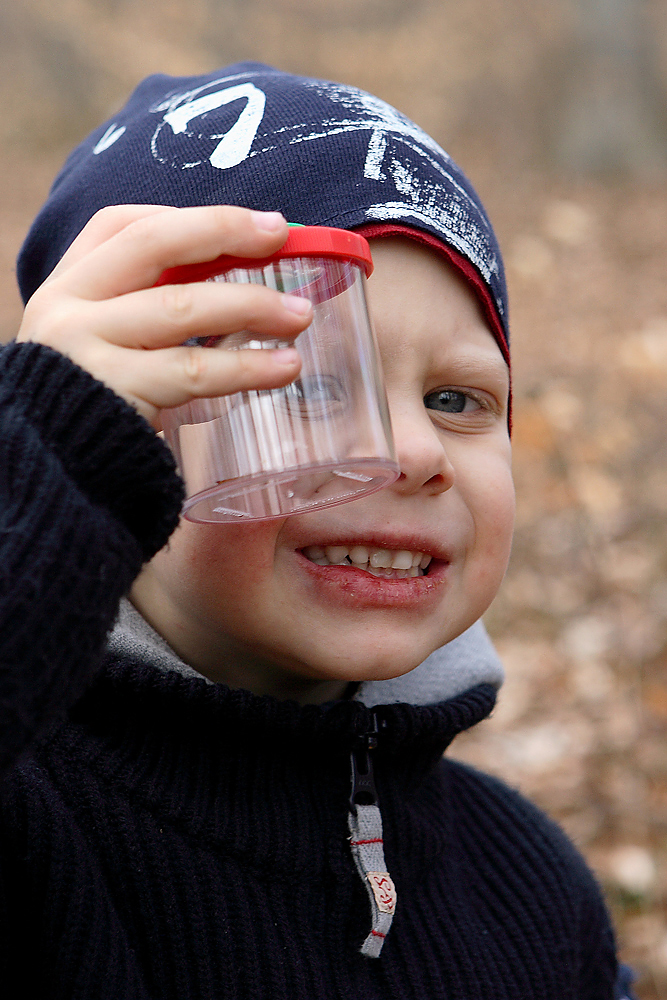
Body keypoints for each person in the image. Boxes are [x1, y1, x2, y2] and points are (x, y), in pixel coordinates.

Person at [0, 62, 633, 999]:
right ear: (110, 430)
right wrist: (36, 464)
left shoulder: (528, 885)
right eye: (305, 383)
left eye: (457, 399)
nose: (412, 451)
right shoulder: (34, 826)